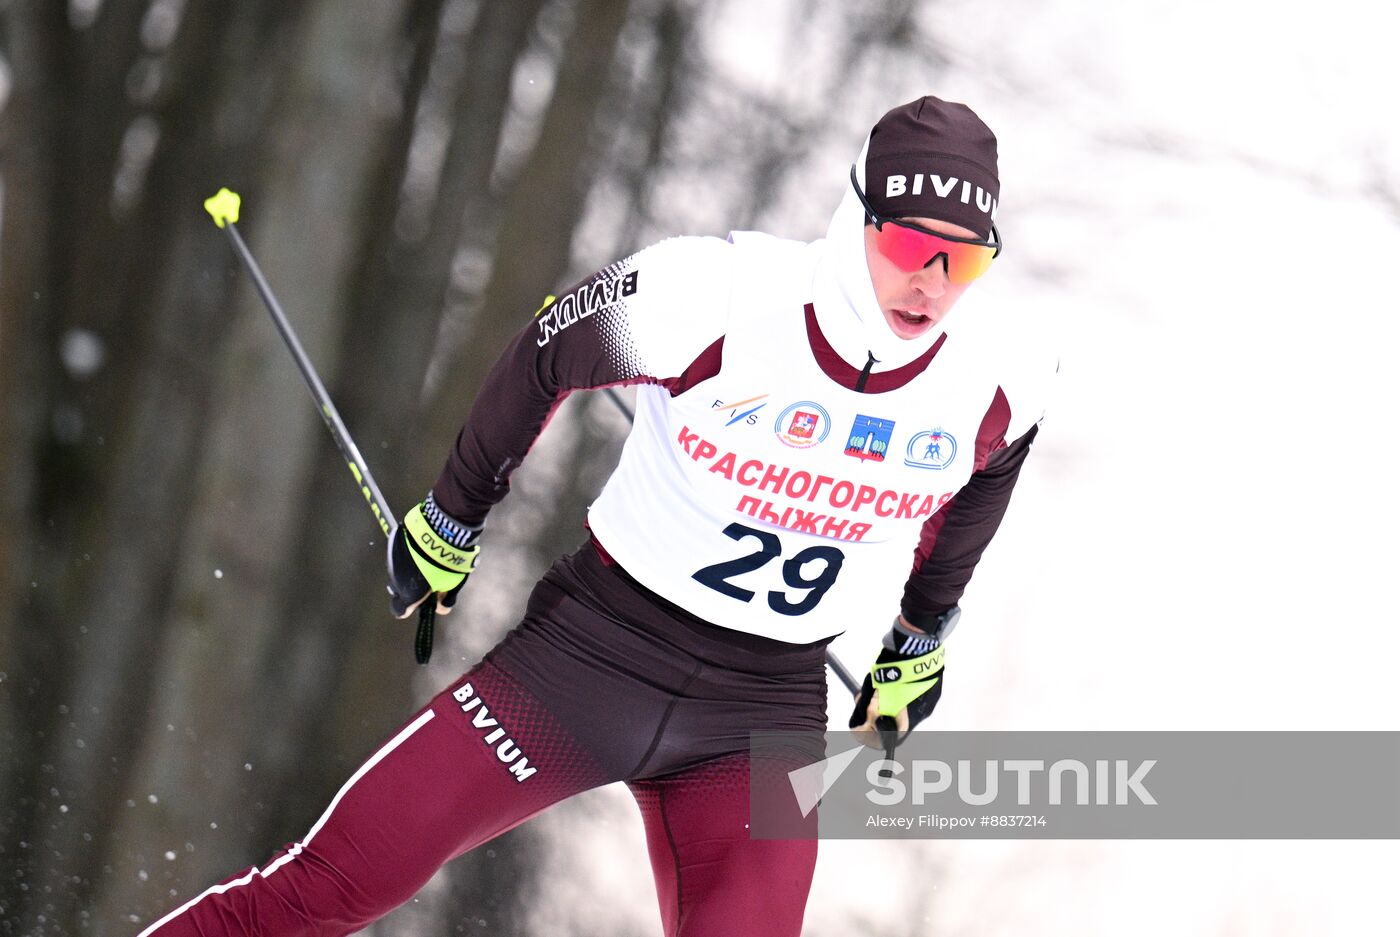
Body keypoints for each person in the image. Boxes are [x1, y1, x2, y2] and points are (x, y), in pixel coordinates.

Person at [140, 95, 1053, 937]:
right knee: (334, 885)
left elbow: (989, 479)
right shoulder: (714, 294)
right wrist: (453, 519)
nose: (931, 283)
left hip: (762, 710)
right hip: (590, 660)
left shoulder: (999, 377)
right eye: (908, 246)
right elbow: (546, 353)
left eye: (963, 259)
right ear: (855, 219)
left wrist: (920, 634)